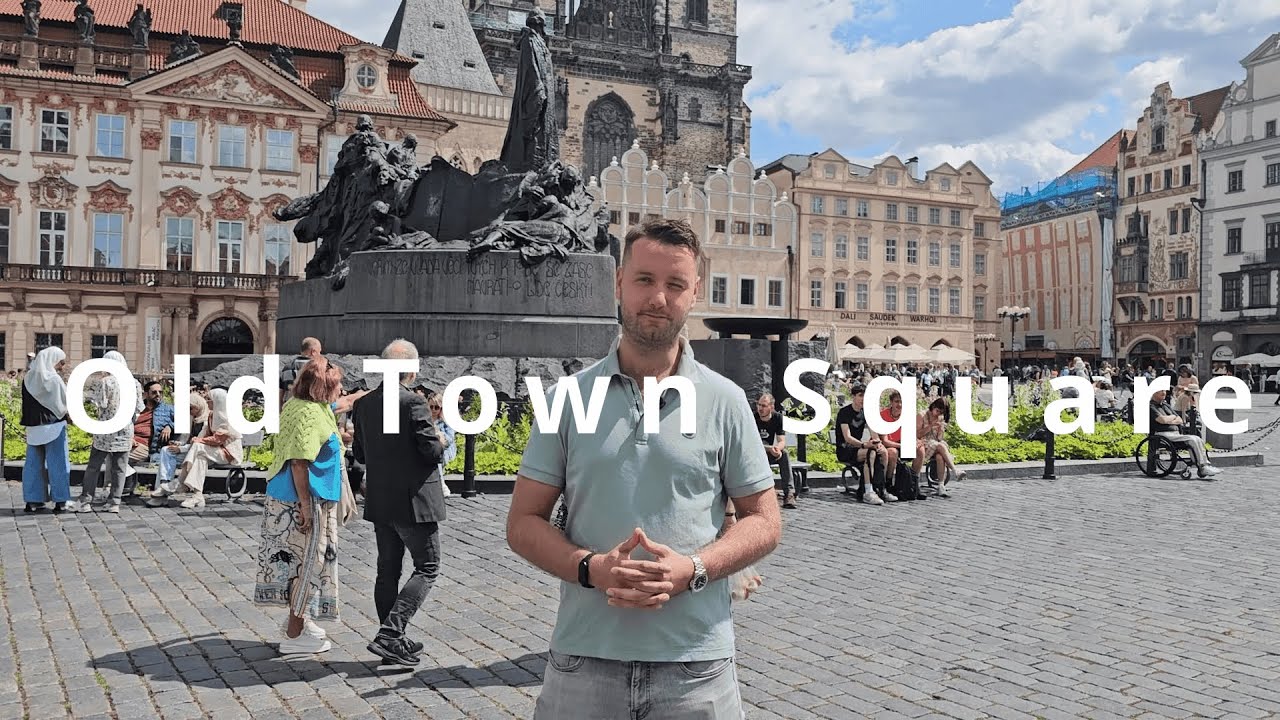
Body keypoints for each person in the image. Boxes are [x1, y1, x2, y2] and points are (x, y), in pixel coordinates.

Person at [507, 218, 781, 718]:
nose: (658, 297)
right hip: (585, 659)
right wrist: (592, 569)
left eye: (675, 284)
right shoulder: (566, 399)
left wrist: (693, 569)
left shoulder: (726, 400)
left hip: (696, 665)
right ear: (618, 283)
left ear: (695, 292)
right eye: (644, 280)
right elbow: (522, 523)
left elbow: (765, 521)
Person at [351, 339, 446, 666]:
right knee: (428, 566)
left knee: (387, 571)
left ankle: (392, 642)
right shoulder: (413, 403)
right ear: (410, 369)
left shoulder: (364, 404)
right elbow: (431, 452)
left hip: (381, 500)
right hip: (414, 503)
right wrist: (442, 439)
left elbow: (360, 455)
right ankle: (392, 633)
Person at [254, 357, 356, 656]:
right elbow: (300, 461)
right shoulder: (310, 414)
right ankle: (294, 634)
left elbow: (339, 405)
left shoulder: (300, 404)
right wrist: (307, 509)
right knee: (309, 564)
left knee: (300, 562)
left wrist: (363, 396)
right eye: (337, 385)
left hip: (292, 496)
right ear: (324, 386)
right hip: (303, 499)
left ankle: (298, 621)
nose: (341, 390)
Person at [73, 351, 144, 514]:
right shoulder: (134, 383)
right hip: (125, 429)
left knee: (94, 467)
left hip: (105, 430)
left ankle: (86, 500)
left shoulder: (105, 382)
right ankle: (114, 502)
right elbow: (139, 408)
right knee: (120, 467)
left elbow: (101, 404)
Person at [169, 389, 243, 509]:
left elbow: (218, 440)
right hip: (213, 452)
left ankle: (182, 482)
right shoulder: (211, 416)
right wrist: (198, 439)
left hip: (228, 453)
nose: (207, 401)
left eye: (209, 399)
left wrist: (199, 441)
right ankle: (198, 495)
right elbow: (206, 434)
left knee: (198, 446)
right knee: (200, 457)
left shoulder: (228, 418)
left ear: (217, 401)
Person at [21, 347, 71, 513]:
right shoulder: (54, 380)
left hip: (33, 426)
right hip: (54, 426)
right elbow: (63, 404)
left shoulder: (27, 378)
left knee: (33, 465)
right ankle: (61, 500)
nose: (61, 366)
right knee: (58, 464)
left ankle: (33, 500)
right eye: (60, 362)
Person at [834, 384, 896, 506]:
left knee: (883, 452)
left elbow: (874, 433)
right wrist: (864, 445)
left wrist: (878, 444)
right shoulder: (844, 413)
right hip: (845, 449)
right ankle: (868, 491)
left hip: (858, 448)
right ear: (853, 396)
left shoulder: (866, 412)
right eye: (860, 395)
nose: (863, 399)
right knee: (869, 453)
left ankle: (881, 488)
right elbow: (847, 438)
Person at [147, 394, 210, 507]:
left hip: (201, 453)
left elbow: (200, 443)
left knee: (175, 452)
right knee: (166, 451)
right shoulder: (192, 418)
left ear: (199, 406)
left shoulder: (206, 421)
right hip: (189, 450)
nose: (189, 411)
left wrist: (180, 449)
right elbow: (189, 440)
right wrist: (179, 444)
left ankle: (167, 490)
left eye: (191, 408)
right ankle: (163, 488)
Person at [1149, 388, 1220, 479]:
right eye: (1161, 391)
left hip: (1175, 433)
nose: (1164, 393)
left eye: (1165, 391)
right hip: (1163, 434)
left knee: (1197, 439)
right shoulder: (1151, 406)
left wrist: (1170, 419)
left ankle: (1203, 465)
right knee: (1192, 439)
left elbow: (1180, 419)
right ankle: (1202, 466)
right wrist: (1173, 417)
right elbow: (1162, 420)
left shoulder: (1166, 405)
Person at [123, 380, 174, 497]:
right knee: (112, 453)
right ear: (146, 394)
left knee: (117, 456)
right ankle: (123, 483)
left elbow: (183, 421)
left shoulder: (168, 409)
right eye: (154, 392)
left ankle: (125, 482)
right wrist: (129, 437)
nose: (158, 394)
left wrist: (169, 426)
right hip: (131, 442)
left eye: (160, 392)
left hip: (146, 446)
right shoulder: (137, 409)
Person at [916, 398, 965, 497]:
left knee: (940, 456)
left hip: (936, 444)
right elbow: (917, 434)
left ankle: (941, 486)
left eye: (941, 412)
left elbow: (939, 439)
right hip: (923, 443)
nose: (938, 414)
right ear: (933, 406)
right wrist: (930, 426)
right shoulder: (921, 415)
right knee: (940, 446)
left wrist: (941, 429)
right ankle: (955, 471)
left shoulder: (940, 418)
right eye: (937, 411)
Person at [754, 393, 795, 509]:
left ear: (771, 407)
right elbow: (752, 444)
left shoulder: (777, 418)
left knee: (784, 454)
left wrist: (778, 449)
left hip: (769, 453)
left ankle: (789, 494)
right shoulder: (753, 418)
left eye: (764, 405)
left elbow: (781, 440)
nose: (760, 408)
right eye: (759, 405)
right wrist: (769, 448)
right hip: (755, 454)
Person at [427, 392, 457, 498]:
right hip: (428, 448)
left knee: (436, 456)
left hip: (444, 450)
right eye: (431, 407)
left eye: (437, 407)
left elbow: (449, 440)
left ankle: (442, 485)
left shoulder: (445, 422)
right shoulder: (424, 420)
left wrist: (439, 434)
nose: (434, 410)